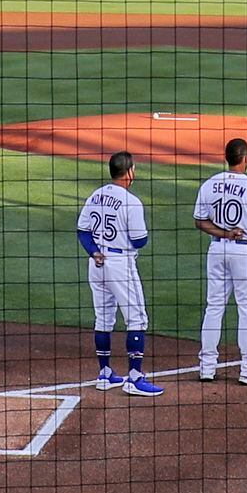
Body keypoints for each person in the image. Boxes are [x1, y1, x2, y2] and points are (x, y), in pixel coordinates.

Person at [188, 138, 247, 382]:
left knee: (214, 306)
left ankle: (207, 367)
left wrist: (224, 233)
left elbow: (200, 221)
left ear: (226, 158)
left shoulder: (210, 184)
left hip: (217, 250)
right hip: (244, 253)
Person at [77, 150, 161, 393]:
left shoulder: (95, 196)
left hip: (96, 263)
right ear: (129, 172)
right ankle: (135, 377)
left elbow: (82, 230)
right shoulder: (132, 202)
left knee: (103, 318)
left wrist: (94, 251)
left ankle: (104, 374)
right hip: (120, 264)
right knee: (137, 318)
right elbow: (139, 241)